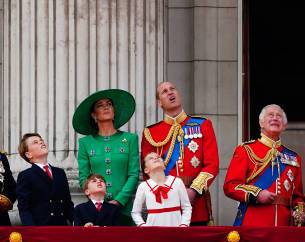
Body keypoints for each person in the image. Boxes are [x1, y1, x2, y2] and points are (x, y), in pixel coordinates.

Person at [141, 81, 219, 226]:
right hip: (165, 203)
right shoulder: (150, 133)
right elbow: (148, 171)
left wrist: (194, 190)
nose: (170, 92)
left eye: (172, 89)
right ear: (159, 103)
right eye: (164, 91)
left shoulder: (203, 125)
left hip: (197, 203)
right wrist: (167, 192)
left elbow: (212, 165)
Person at [223, 104, 305, 226]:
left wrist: (300, 213)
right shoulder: (245, 150)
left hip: (284, 226)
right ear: (261, 123)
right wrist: (257, 194)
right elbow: (230, 186)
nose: (275, 118)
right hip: (254, 222)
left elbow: (298, 196)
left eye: (279, 116)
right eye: (270, 115)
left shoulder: (294, 157)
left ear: (284, 126)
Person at [74, 89, 140, 226]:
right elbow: (84, 177)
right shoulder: (85, 143)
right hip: (97, 211)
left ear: (114, 111)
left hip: (124, 209)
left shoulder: (130, 139)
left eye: (109, 104)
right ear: (94, 115)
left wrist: (119, 200)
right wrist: (98, 201)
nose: (105, 107)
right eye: (100, 105)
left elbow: (133, 174)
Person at [16, 133, 74, 226]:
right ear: (28, 154)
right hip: (40, 230)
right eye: (35, 142)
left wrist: (78, 223)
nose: (41, 143)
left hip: (62, 229)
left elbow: (67, 204)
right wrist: (32, 231)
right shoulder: (26, 175)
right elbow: (24, 208)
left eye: (41, 140)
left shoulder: (60, 173)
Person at [131, 152, 192, 227]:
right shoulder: (143, 186)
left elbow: (186, 207)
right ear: (146, 170)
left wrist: (184, 225)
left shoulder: (177, 182)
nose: (156, 158)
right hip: (153, 233)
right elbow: (135, 212)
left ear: (164, 166)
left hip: (176, 231)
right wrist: (144, 226)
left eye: (158, 157)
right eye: (151, 158)